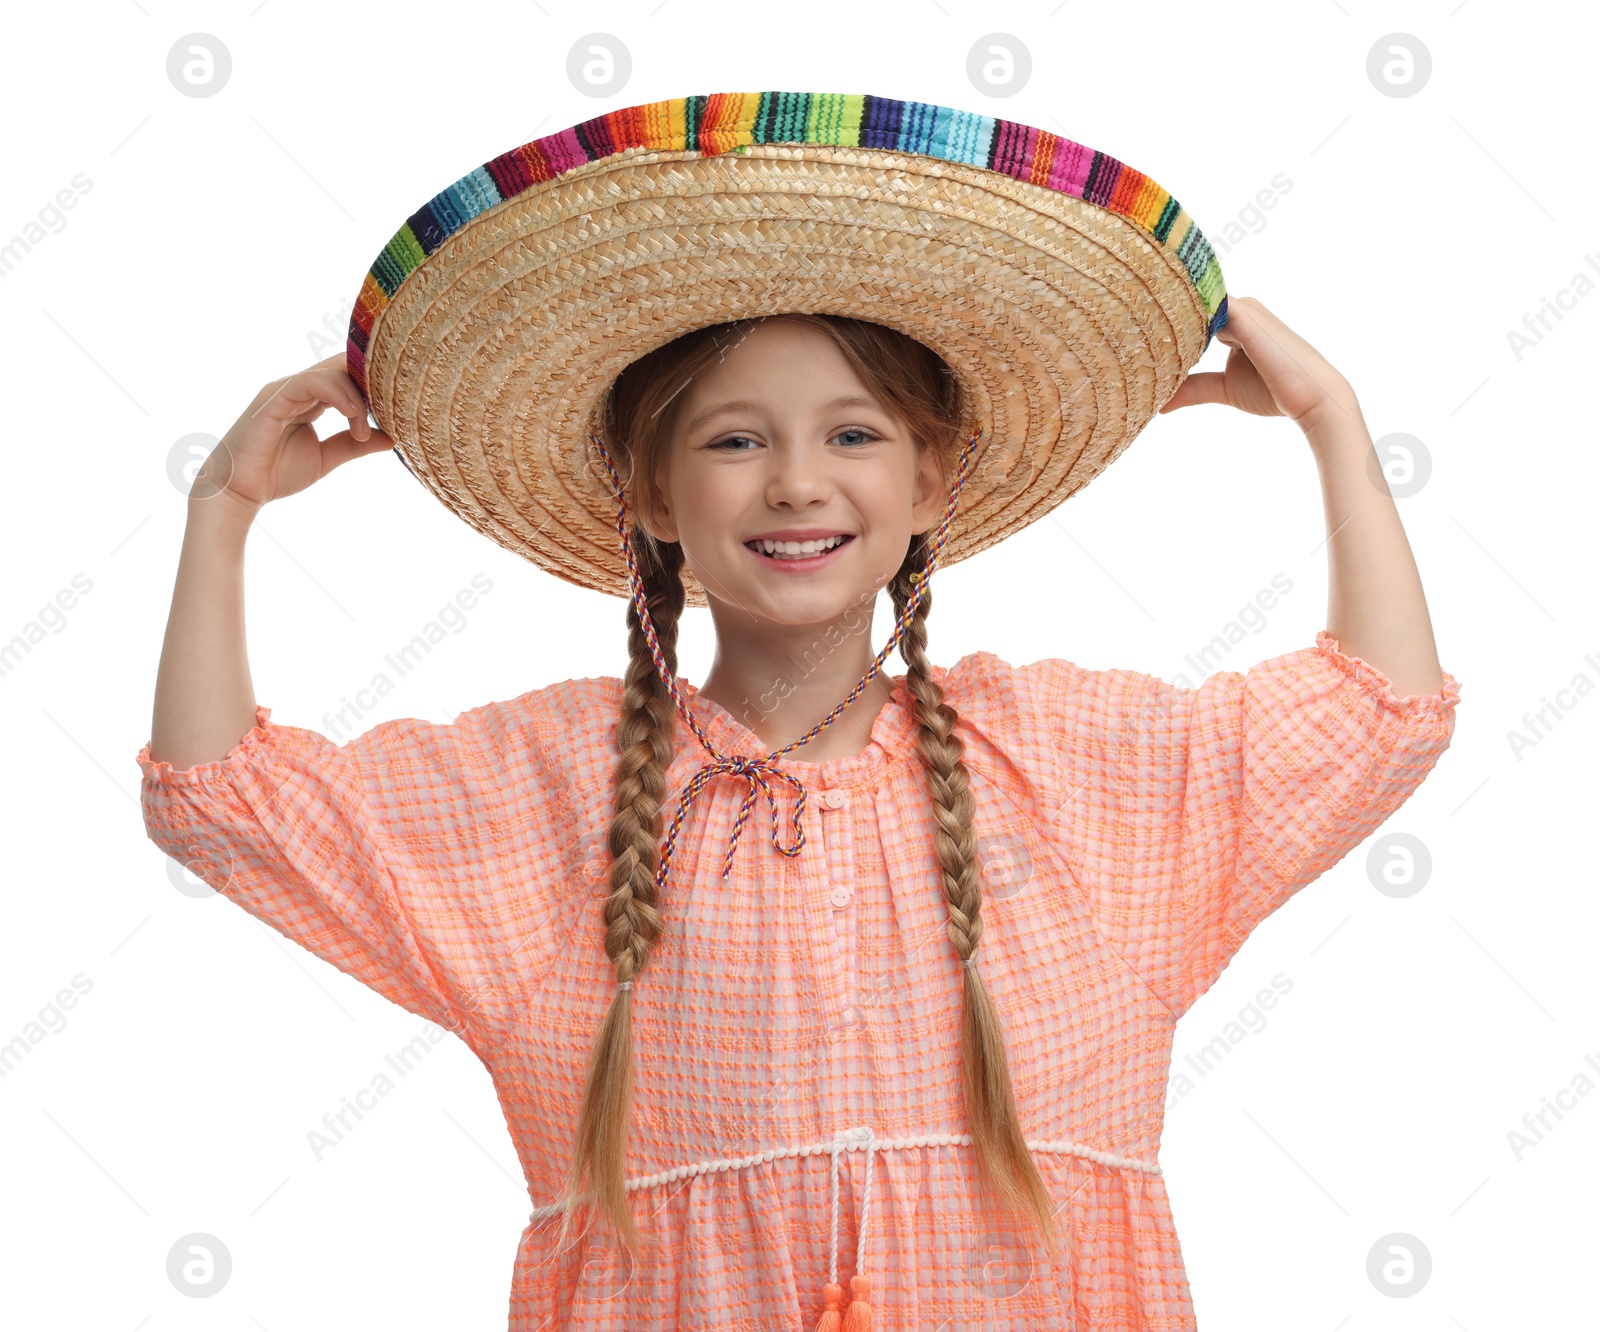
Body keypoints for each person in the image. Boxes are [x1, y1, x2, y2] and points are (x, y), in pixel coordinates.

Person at [136, 92, 1460, 1331]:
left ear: (933, 477)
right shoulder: (558, 791)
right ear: (650, 498)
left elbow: (1380, 713)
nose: (794, 484)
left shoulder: (1070, 770)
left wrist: (1334, 424)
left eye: (854, 434)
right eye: (732, 440)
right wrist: (224, 512)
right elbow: (221, 804)